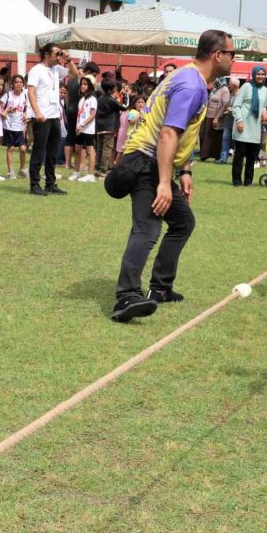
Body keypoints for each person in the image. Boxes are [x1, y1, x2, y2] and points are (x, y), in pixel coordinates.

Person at [107, 29, 235, 323]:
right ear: (217, 55)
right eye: (231, 54)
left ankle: (160, 289)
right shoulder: (191, 85)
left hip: (153, 161)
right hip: (145, 161)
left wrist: (186, 170)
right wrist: (165, 183)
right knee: (147, 229)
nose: (234, 59)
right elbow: (167, 134)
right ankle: (126, 296)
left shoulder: (190, 77)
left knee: (182, 221)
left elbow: (183, 133)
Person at [27, 43, 80, 196]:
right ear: (46, 54)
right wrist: (37, 112)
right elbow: (31, 92)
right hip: (42, 116)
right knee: (39, 151)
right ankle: (34, 184)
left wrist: (69, 60)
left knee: (52, 152)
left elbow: (75, 75)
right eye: (57, 54)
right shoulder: (36, 70)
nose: (59, 57)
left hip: (54, 115)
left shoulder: (56, 69)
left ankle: (50, 183)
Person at [230, 65, 267, 186]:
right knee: (239, 156)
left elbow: (263, 106)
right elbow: (236, 105)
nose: (260, 76)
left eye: (263, 74)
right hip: (242, 126)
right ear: (254, 74)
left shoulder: (265, 90)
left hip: (255, 128)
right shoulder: (246, 87)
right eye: (258, 74)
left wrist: (264, 113)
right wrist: (239, 120)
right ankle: (237, 180)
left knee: (252, 157)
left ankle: (248, 181)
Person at [70, 75, 98, 182]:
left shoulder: (93, 99)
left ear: (90, 86)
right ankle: (77, 172)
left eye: (85, 84)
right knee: (77, 150)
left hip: (88, 129)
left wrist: (82, 124)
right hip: (80, 129)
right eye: (82, 84)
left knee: (90, 151)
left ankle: (91, 174)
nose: (82, 86)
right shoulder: (82, 99)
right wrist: (78, 125)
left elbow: (92, 115)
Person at [94, 79, 124, 176]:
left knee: (99, 148)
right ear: (111, 89)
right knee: (107, 148)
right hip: (109, 127)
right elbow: (123, 107)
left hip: (99, 126)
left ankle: (97, 167)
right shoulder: (111, 100)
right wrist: (119, 98)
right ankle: (103, 169)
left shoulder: (99, 99)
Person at [2, 74, 27, 179]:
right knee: (11, 148)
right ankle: (11, 171)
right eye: (17, 82)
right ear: (12, 84)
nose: (19, 84)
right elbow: (1, 110)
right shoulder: (7, 95)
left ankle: (22, 169)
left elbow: (26, 109)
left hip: (19, 127)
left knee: (23, 149)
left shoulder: (24, 95)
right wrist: (8, 111)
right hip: (9, 126)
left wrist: (25, 115)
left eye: (21, 82)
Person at [198, 76, 229, 161]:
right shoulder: (215, 88)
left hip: (216, 115)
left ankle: (215, 155)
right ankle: (204, 154)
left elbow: (225, 104)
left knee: (214, 137)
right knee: (204, 135)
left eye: (215, 79)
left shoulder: (224, 89)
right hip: (207, 115)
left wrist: (217, 117)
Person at [214, 77, 239, 165]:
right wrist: (219, 116)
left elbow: (242, 109)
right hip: (228, 122)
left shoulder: (240, 96)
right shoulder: (230, 95)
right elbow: (225, 106)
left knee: (237, 143)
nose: (228, 86)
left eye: (230, 85)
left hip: (237, 123)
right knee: (225, 140)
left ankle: (236, 160)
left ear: (235, 86)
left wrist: (231, 110)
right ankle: (223, 158)